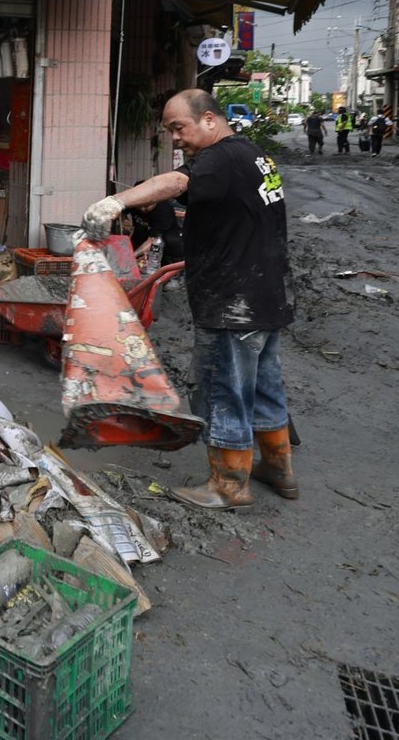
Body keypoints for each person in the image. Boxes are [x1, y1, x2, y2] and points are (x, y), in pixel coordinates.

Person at [81, 88, 295, 511]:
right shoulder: (253, 155)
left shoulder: (219, 158)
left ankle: (230, 484)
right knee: (265, 386)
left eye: (179, 128)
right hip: (267, 295)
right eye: (169, 131)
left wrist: (114, 202)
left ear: (210, 120)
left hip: (234, 301)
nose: (174, 138)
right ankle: (279, 467)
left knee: (224, 391)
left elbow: (177, 181)